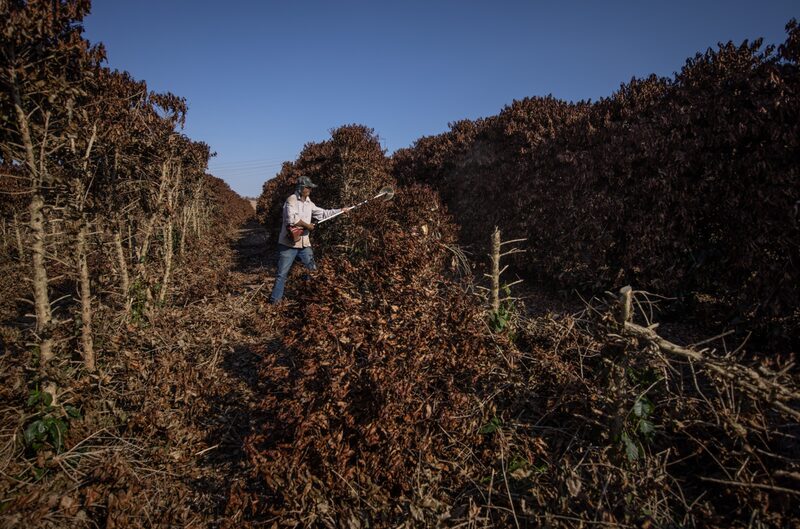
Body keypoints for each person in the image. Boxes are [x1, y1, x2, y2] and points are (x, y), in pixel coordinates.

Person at [269, 176, 351, 304]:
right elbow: (292, 219)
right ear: (301, 188)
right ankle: (275, 302)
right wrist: (308, 226)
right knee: (282, 274)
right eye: (308, 188)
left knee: (312, 271)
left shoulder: (309, 203)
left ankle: (308, 299)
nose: (310, 190)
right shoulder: (291, 200)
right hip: (288, 244)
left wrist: (340, 210)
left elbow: (323, 213)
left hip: (304, 244)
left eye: (310, 188)